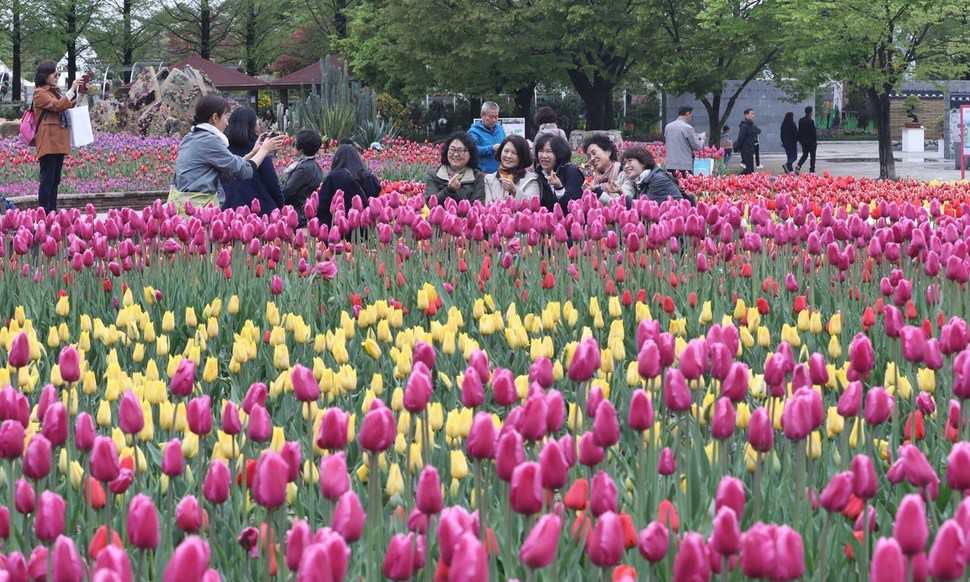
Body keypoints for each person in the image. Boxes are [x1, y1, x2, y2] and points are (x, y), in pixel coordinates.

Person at [171, 95, 284, 211]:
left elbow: (228, 171)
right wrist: (264, 150)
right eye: (225, 117)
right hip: (198, 209)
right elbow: (243, 171)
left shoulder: (191, 138)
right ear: (215, 117)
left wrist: (253, 152)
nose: (227, 123)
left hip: (184, 205)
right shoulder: (209, 141)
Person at [32, 61, 82, 212]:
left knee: (55, 180)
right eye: (55, 74)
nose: (57, 77)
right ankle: (43, 212)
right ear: (45, 75)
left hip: (58, 141)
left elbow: (68, 104)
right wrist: (72, 88)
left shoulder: (56, 91)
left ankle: (52, 211)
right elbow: (57, 106)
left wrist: (80, 91)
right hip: (48, 142)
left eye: (58, 74)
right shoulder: (39, 93)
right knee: (47, 180)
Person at [221, 107, 284, 214]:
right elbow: (272, 183)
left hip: (229, 210)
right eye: (257, 123)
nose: (259, 127)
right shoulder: (260, 150)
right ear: (252, 126)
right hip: (259, 211)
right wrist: (281, 206)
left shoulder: (223, 149)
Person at [318, 143, 381, 226]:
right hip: (366, 231)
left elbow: (322, 207)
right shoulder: (369, 178)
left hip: (337, 229)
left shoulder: (332, 178)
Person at [423, 133, 485, 202]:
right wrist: (449, 190)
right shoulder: (434, 174)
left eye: (460, 150)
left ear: (470, 153)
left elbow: (477, 206)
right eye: (452, 149)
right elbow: (430, 203)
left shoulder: (477, 177)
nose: (455, 154)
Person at [280, 129, 324, 226]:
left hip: (299, 216)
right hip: (307, 213)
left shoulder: (304, 169)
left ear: (301, 149)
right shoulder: (314, 165)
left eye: (295, 144)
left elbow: (288, 191)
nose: (292, 147)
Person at [534, 134, 584, 212]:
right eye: (541, 151)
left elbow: (575, 207)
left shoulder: (571, 172)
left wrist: (559, 188)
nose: (544, 156)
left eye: (549, 151)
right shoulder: (537, 175)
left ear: (559, 153)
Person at [621, 146, 688, 204]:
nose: (626, 166)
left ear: (643, 162)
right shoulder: (641, 181)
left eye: (630, 161)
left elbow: (645, 208)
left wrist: (622, 198)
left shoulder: (658, 180)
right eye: (624, 163)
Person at [484, 135, 539, 203]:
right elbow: (488, 206)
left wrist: (514, 191)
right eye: (506, 151)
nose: (508, 156)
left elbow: (533, 205)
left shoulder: (531, 179)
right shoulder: (489, 179)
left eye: (514, 153)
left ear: (522, 156)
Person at [583, 134, 628, 202]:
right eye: (589, 156)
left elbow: (626, 201)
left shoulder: (623, 172)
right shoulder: (592, 179)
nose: (592, 158)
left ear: (608, 152)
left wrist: (597, 191)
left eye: (594, 153)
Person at [663, 106, 705, 177]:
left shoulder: (668, 126)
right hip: (684, 165)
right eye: (691, 114)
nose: (692, 117)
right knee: (684, 187)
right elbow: (697, 146)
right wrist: (701, 139)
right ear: (687, 113)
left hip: (670, 164)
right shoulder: (688, 128)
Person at [468, 102, 506, 174]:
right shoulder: (473, 132)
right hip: (483, 174)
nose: (494, 120)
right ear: (482, 115)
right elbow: (471, 151)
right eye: (491, 117)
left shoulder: (500, 129)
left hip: (501, 173)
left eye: (496, 117)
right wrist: (491, 148)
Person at [735, 109, 758, 175]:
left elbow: (758, 131)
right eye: (751, 114)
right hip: (746, 149)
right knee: (749, 169)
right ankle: (739, 178)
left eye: (753, 114)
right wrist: (738, 147)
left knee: (749, 168)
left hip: (750, 148)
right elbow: (741, 138)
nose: (753, 115)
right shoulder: (744, 126)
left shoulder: (751, 125)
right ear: (746, 115)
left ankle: (742, 178)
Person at [797, 106, 818, 173]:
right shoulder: (810, 121)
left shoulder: (801, 120)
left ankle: (798, 167)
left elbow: (799, 131)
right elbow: (813, 132)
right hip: (811, 142)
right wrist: (815, 141)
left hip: (804, 142)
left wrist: (800, 140)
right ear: (810, 112)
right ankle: (812, 170)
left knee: (805, 155)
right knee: (812, 156)